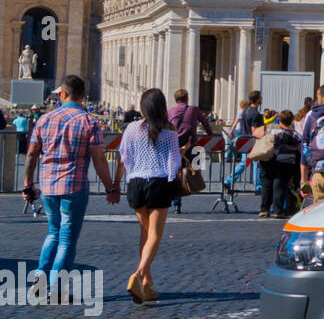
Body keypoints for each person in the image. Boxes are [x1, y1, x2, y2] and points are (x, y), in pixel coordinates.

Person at [24, 75, 119, 302]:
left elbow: (31, 154)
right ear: (84, 96)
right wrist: (110, 188)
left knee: (53, 233)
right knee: (66, 239)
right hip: (74, 187)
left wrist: (28, 184)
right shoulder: (89, 122)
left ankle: (39, 284)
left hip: (48, 186)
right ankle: (56, 290)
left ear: (62, 94)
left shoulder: (44, 119)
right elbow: (99, 159)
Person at [116, 88, 181, 304]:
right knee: (154, 235)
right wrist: (172, 182)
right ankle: (137, 274)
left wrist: (121, 182)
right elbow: (174, 162)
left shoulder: (132, 128)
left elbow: (124, 156)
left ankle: (147, 284)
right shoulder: (169, 131)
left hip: (136, 184)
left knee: (144, 234)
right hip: (158, 182)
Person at [167, 88, 211, 213]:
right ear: (187, 99)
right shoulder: (194, 109)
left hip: (174, 144)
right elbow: (205, 122)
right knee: (193, 169)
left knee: (175, 173)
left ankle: (176, 203)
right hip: (190, 143)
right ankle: (193, 186)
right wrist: (209, 133)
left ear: (175, 100)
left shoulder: (170, 111)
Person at [259, 110, 301, 219]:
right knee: (280, 186)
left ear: (280, 119)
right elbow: (300, 149)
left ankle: (264, 209)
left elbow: (256, 134)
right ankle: (278, 211)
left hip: (269, 160)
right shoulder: (295, 134)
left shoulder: (271, 130)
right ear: (291, 120)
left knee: (266, 184)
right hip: (286, 162)